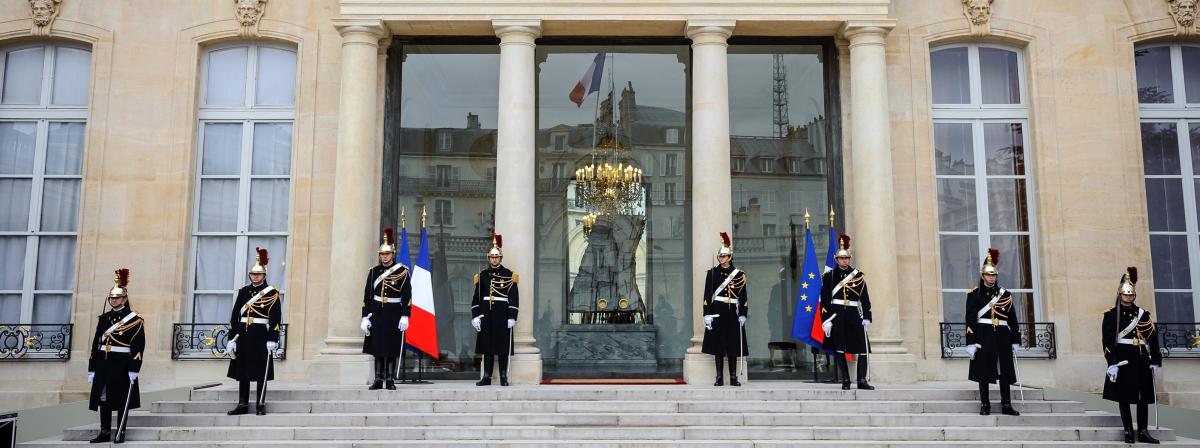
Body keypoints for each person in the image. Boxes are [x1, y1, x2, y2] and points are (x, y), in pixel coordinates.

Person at [1102, 267, 1162, 444]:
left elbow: (1152, 337)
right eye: (1125, 294)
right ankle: (1128, 429)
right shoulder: (1111, 314)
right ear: (1120, 294)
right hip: (1123, 357)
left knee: (1142, 395)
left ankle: (1143, 430)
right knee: (1125, 395)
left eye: (1131, 295)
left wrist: (1155, 359)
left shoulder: (1143, 314)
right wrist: (1111, 363)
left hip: (1141, 357)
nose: (1128, 297)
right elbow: (1107, 341)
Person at [87, 269, 144, 444]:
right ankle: (104, 432)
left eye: (117, 298)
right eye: (111, 298)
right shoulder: (103, 318)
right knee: (103, 398)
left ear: (124, 299)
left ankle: (121, 431)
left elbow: (138, 345)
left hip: (122, 364)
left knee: (120, 398)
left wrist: (134, 369)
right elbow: (96, 343)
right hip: (104, 362)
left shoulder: (134, 320)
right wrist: (92, 368)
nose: (113, 300)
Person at [963, 248, 1021, 416]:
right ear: (983, 276)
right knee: (983, 370)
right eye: (988, 275)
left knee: (1004, 371)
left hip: (1002, 335)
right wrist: (970, 341)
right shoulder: (974, 295)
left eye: (993, 275)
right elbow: (970, 319)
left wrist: (1015, 339)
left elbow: (1012, 319)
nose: (991, 278)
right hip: (983, 334)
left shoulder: (1006, 295)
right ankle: (985, 404)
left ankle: (1006, 405)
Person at [226, 248, 282, 415]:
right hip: (243, 334)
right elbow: (235, 315)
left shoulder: (272, 293)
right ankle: (242, 404)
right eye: (252, 274)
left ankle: (260, 403)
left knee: (260, 370)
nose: (255, 277)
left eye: (258, 274)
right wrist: (231, 339)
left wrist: (273, 338)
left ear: (264, 275)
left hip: (260, 335)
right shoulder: (243, 292)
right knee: (242, 370)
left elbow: (275, 317)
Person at [820, 234, 873, 390]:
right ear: (836, 260)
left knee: (862, 348)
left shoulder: (858, 276)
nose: (844, 261)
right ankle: (846, 380)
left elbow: (865, 299)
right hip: (837, 314)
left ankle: (862, 380)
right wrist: (826, 320)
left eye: (847, 258)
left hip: (853, 314)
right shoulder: (829, 277)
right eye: (841, 258)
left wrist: (867, 317)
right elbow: (824, 300)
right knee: (839, 348)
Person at [361, 228, 412, 390]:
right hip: (376, 311)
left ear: (392, 254)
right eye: (382, 254)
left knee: (390, 346)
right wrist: (365, 317)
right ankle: (378, 379)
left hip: (393, 312)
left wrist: (405, 315)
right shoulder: (374, 272)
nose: (384, 256)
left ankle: (389, 379)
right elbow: (367, 296)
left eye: (387, 254)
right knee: (377, 346)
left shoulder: (402, 272)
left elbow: (407, 296)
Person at [701, 231, 748, 386]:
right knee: (718, 345)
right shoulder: (712, 273)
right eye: (720, 256)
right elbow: (707, 296)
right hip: (717, 311)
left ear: (730, 257)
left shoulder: (739, 274)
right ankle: (719, 377)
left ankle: (733, 377)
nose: (721, 258)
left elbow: (743, 297)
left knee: (733, 345)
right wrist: (706, 314)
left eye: (724, 256)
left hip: (732, 312)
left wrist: (743, 314)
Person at [471, 233, 519, 386]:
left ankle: (504, 377)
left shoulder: (509, 275)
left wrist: (512, 316)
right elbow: (476, 298)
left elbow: (513, 297)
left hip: (502, 314)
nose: (494, 259)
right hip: (486, 314)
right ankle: (487, 377)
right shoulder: (483, 275)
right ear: (488, 258)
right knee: (487, 347)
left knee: (502, 347)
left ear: (501, 258)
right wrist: (475, 316)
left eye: (496, 257)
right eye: (492, 257)